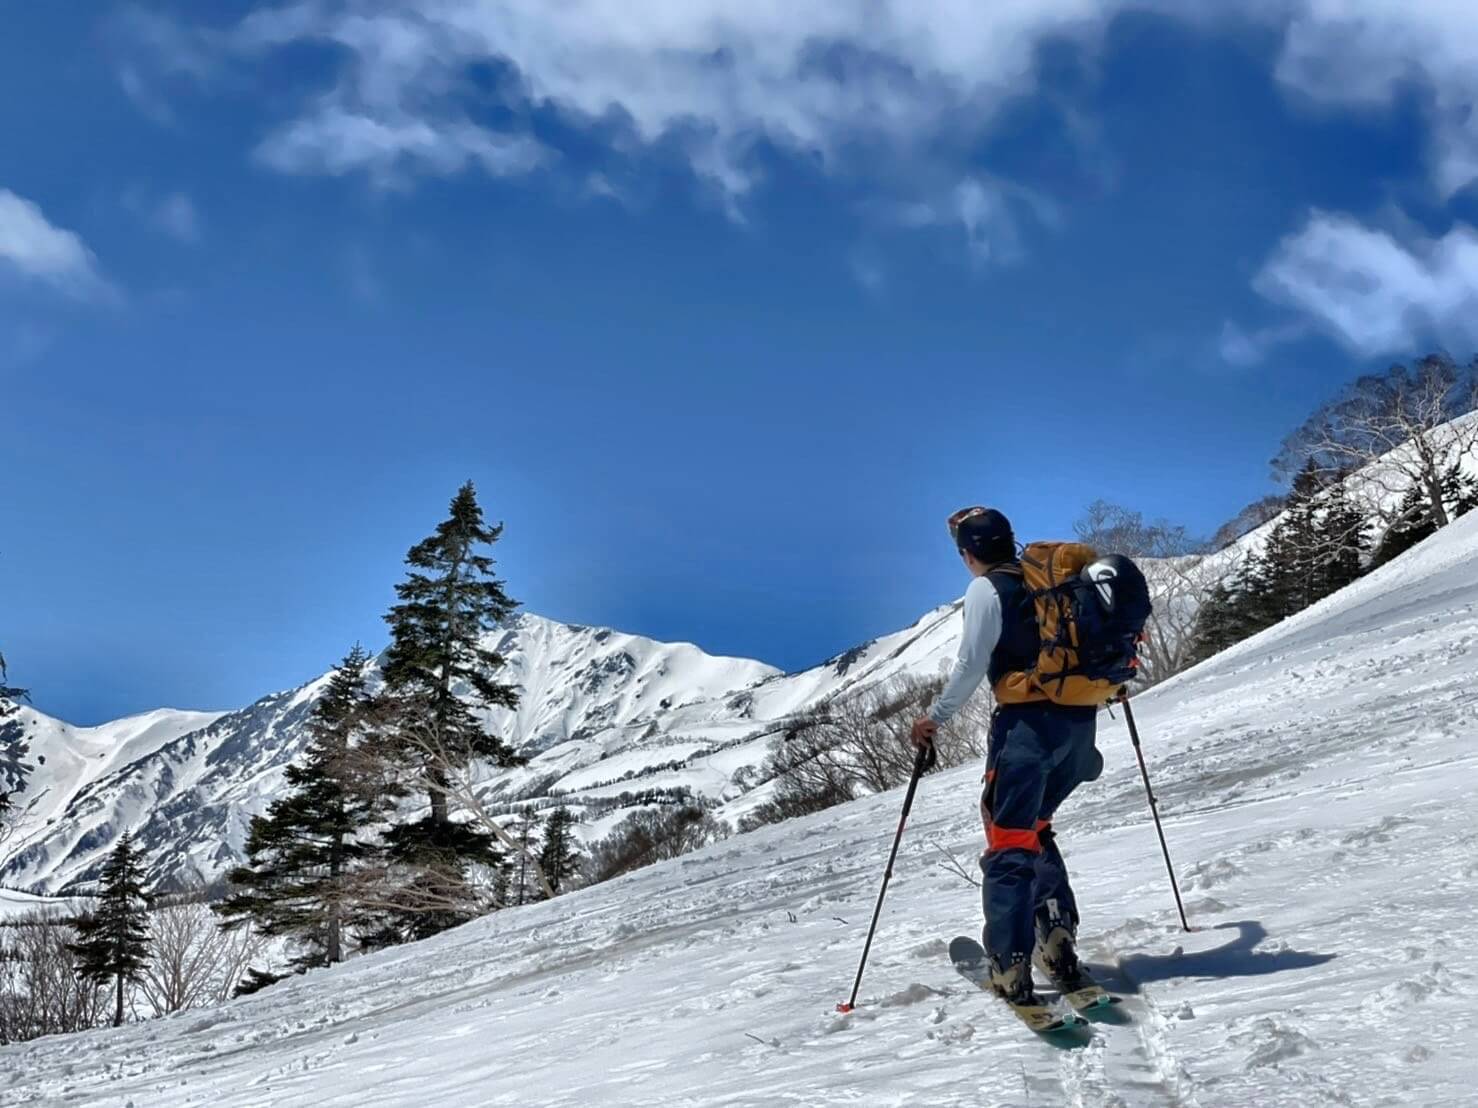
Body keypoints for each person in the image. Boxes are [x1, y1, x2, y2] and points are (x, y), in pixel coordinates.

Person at [910, 506, 1104, 1015]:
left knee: (1009, 843)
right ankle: (1057, 935)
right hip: (1079, 727)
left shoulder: (986, 589)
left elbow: (972, 662)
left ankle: (1011, 964)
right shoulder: (1052, 583)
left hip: (1027, 731)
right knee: (1037, 830)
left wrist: (935, 717)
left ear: (967, 553)